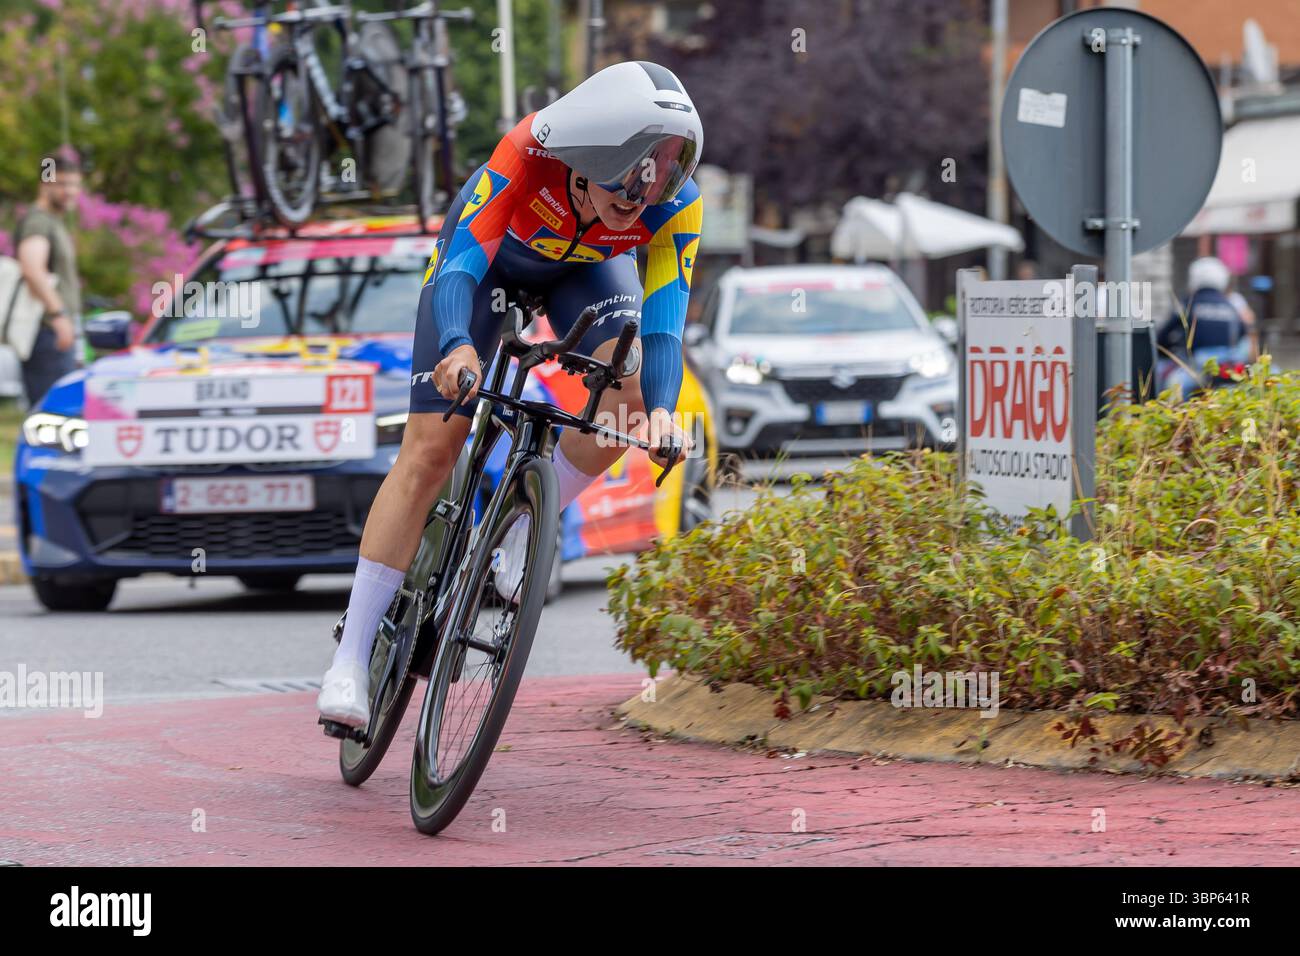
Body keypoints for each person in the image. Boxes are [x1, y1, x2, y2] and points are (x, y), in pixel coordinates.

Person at [318, 61, 704, 727]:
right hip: (486, 268)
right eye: (626, 185)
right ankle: (349, 661)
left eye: (656, 185)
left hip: (581, 277)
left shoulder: (675, 205)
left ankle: (524, 519)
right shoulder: (528, 151)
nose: (638, 202)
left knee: (631, 387)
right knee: (432, 449)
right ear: (588, 160)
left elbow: (667, 320)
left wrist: (664, 413)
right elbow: (462, 262)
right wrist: (454, 347)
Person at [15, 154, 83, 407]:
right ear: (45, 183)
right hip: (48, 333)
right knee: (53, 413)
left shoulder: (53, 221)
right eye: (63, 184)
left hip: (54, 331)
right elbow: (32, 268)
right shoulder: (39, 221)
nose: (70, 191)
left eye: (75, 185)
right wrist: (58, 316)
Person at [1155, 256, 1255, 401]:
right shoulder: (1231, 306)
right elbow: (1243, 333)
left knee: (1168, 386)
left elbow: (1163, 337)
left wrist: (1166, 352)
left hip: (1196, 369)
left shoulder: (1187, 304)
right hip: (1229, 369)